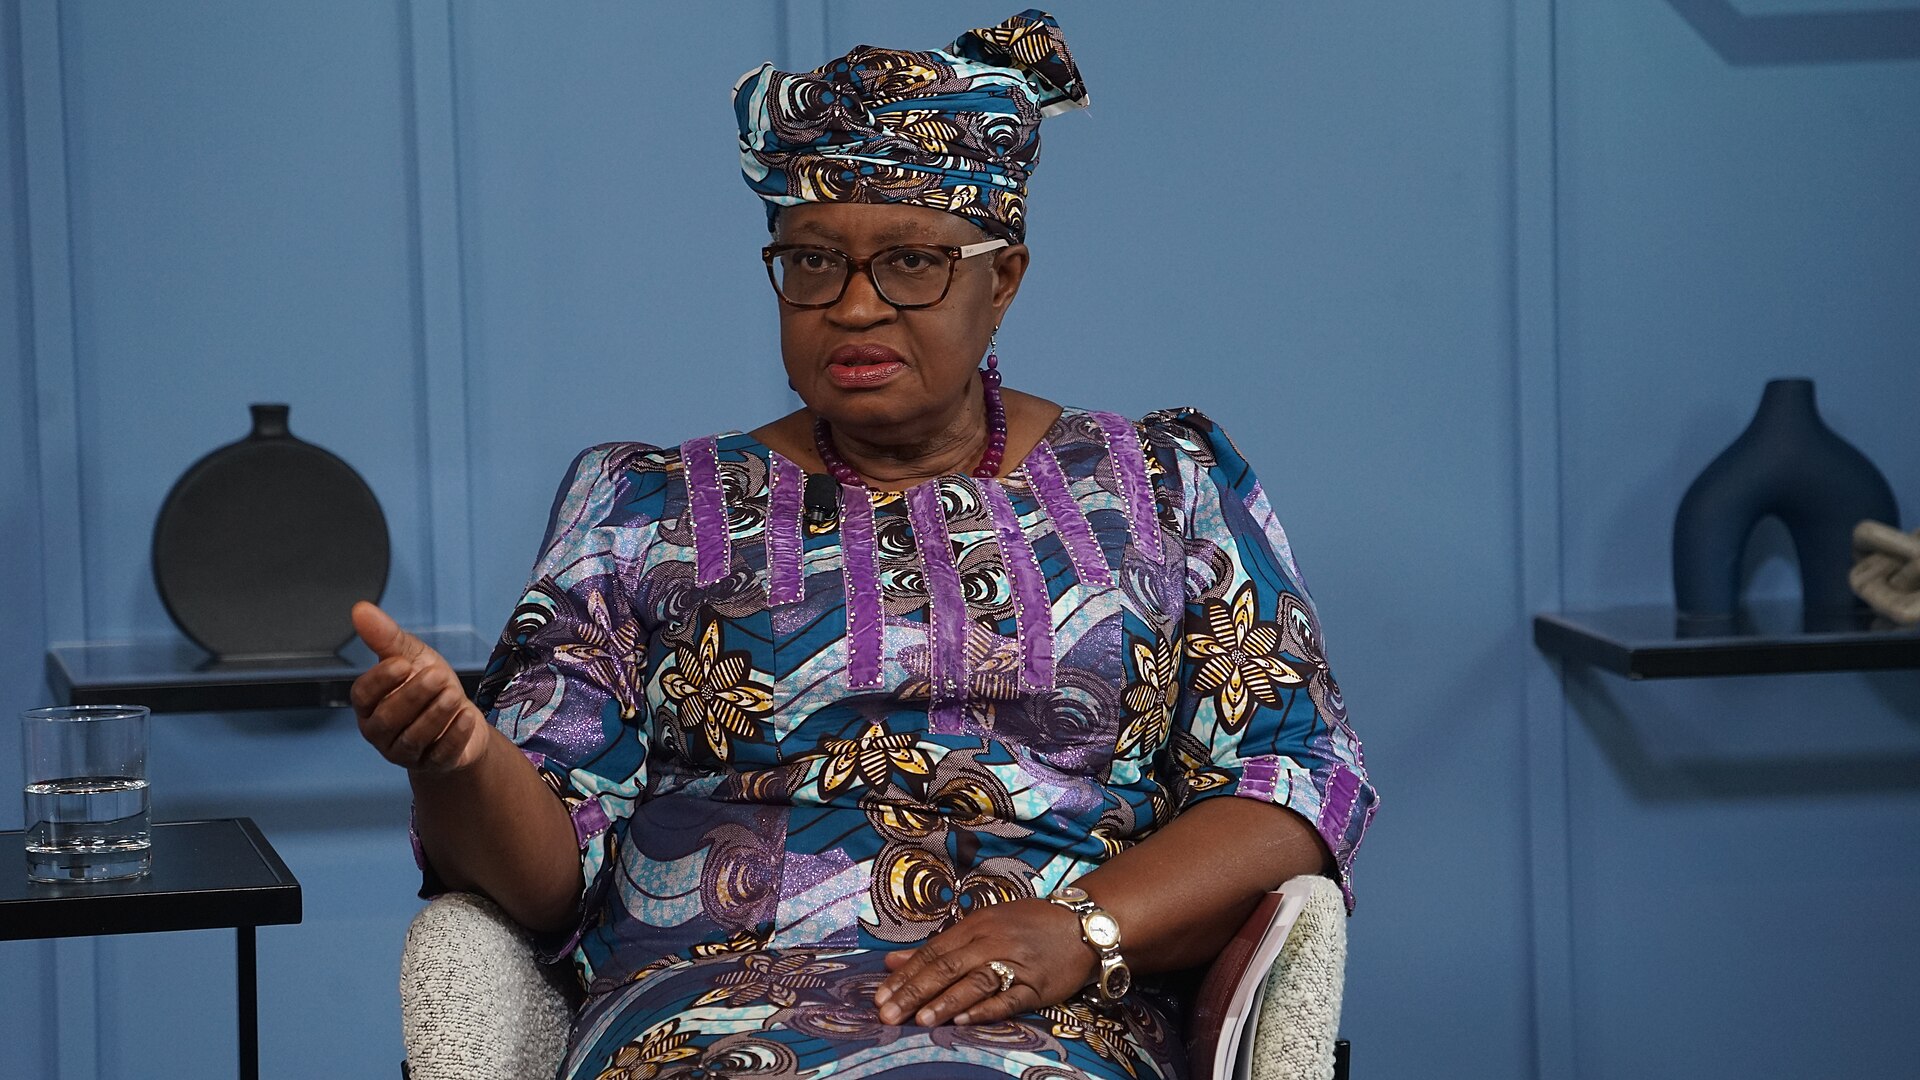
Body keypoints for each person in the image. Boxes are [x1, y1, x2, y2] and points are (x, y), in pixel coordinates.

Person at [351, 11, 1375, 1079]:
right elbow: (544, 878)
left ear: (1004, 277)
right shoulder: (640, 507)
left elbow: (1295, 786)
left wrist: (1085, 929)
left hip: (1049, 1018)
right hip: (704, 1018)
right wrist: (460, 760)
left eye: (912, 264)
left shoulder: (1167, 489)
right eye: (810, 264)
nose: (853, 306)